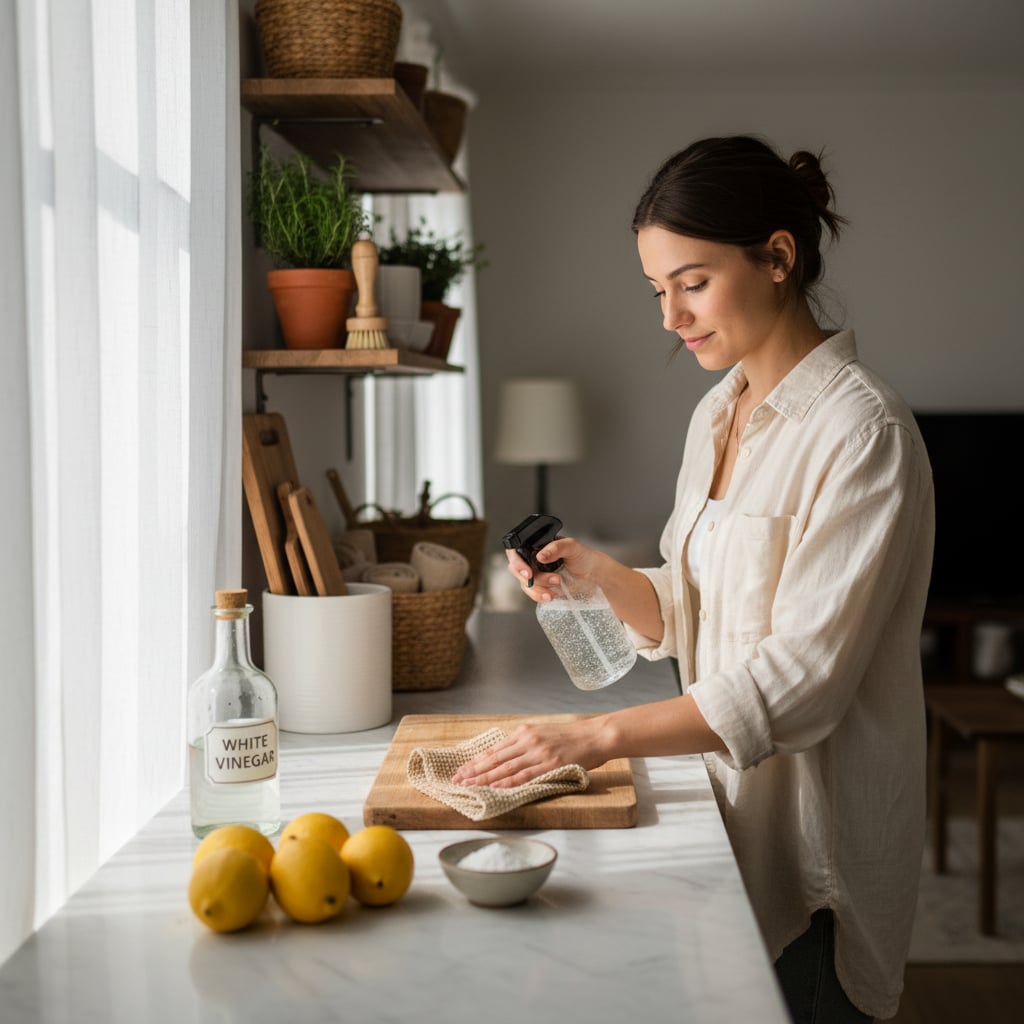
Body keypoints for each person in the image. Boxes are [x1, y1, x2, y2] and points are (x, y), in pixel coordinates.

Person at [453, 135, 934, 1022]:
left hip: (812, 860)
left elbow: (800, 685)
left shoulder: (864, 435)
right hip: (723, 822)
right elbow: (695, 608)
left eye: (692, 281)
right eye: (657, 290)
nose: (670, 317)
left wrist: (595, 739)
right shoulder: (718, 413)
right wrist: (597, 574)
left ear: (778, 257)